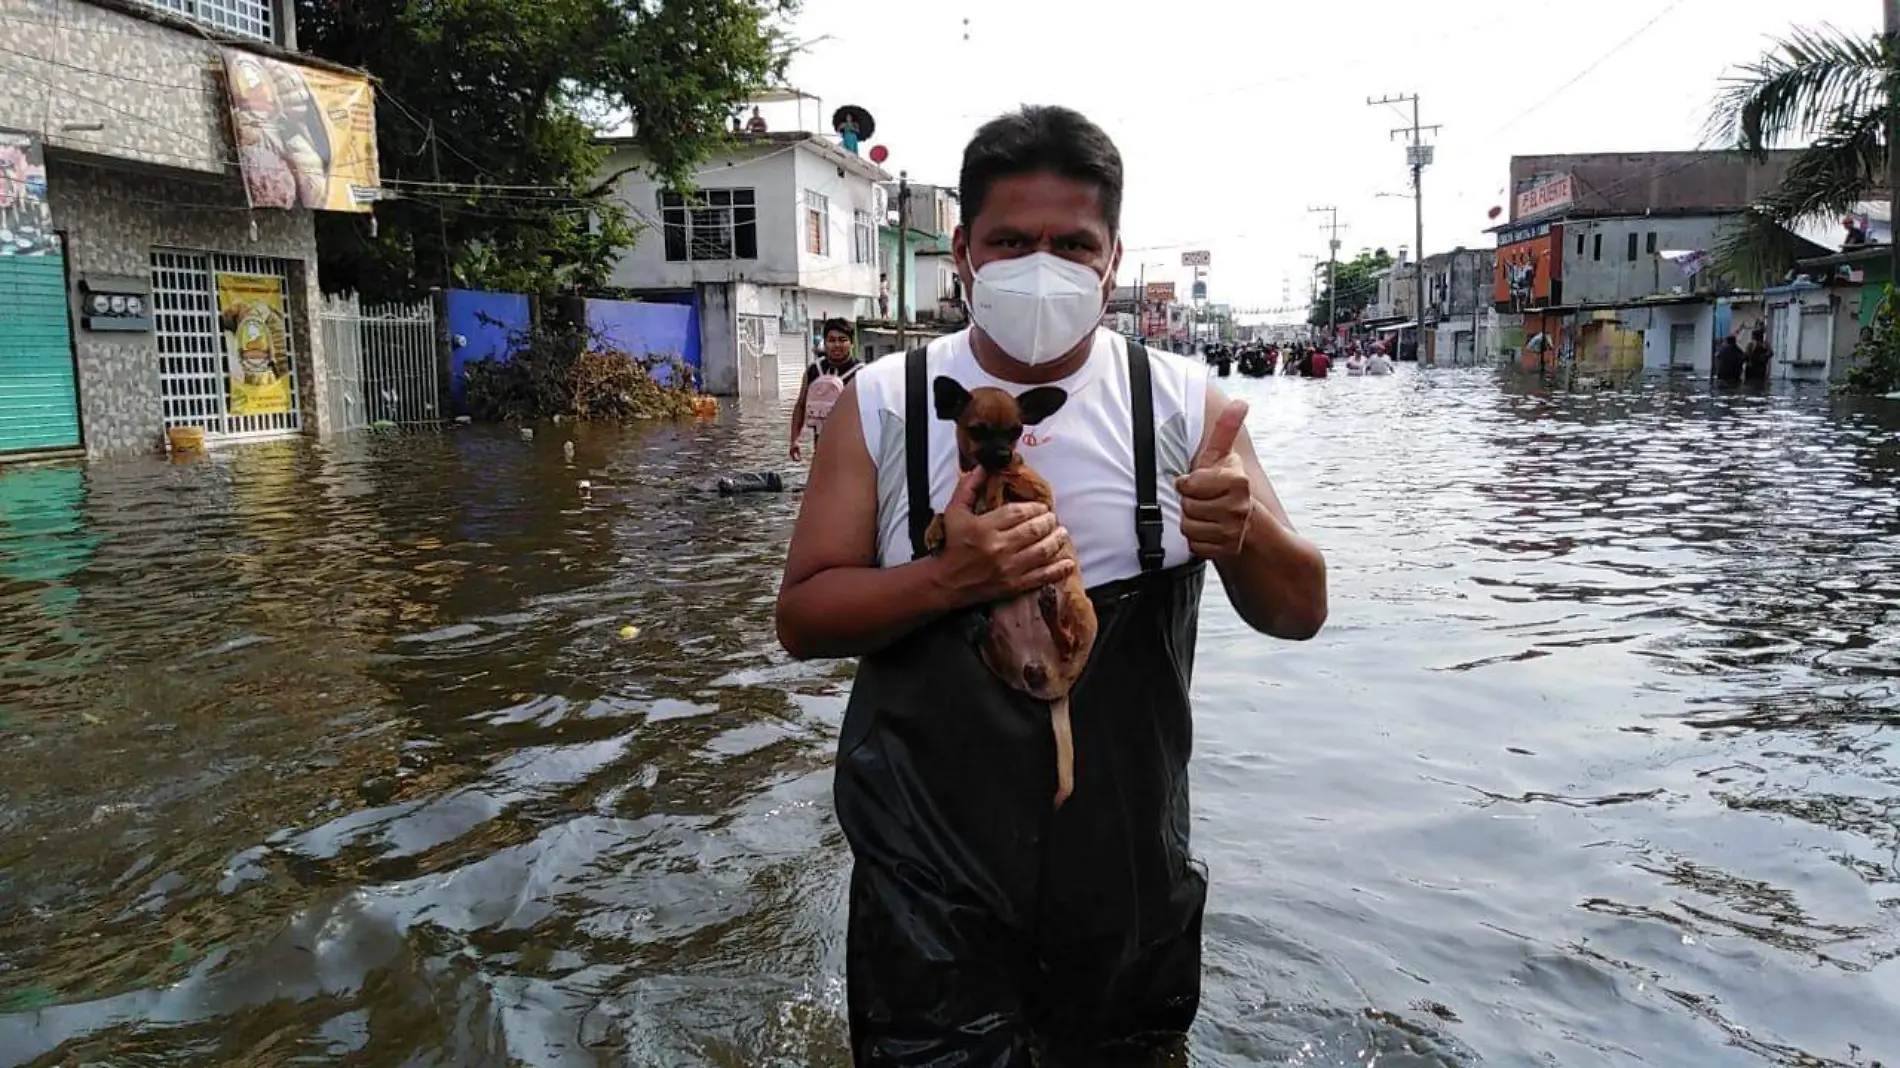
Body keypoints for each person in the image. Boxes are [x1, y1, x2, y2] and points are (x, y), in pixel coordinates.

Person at [775, 105, 1328, 1065]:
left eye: (1073, 244)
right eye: (1013, 240)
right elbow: (803, 616)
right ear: (964, 251)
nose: (1044, 265)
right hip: (926, 869)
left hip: (1121, 876)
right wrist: (949, 577)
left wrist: (1238, 538)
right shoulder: (885, 402)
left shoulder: (1183, 405)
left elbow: (1300, 610)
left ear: (1113, 259)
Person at [788, 319, 862, 461]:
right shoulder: (814, 371)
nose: (837, 345)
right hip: (821, 447)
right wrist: (794, 440)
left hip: (853, 449)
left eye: (843, 340)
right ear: (825, 342)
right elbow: (801, 406)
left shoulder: (862, 373)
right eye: (831, 340)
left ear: (851, 343)